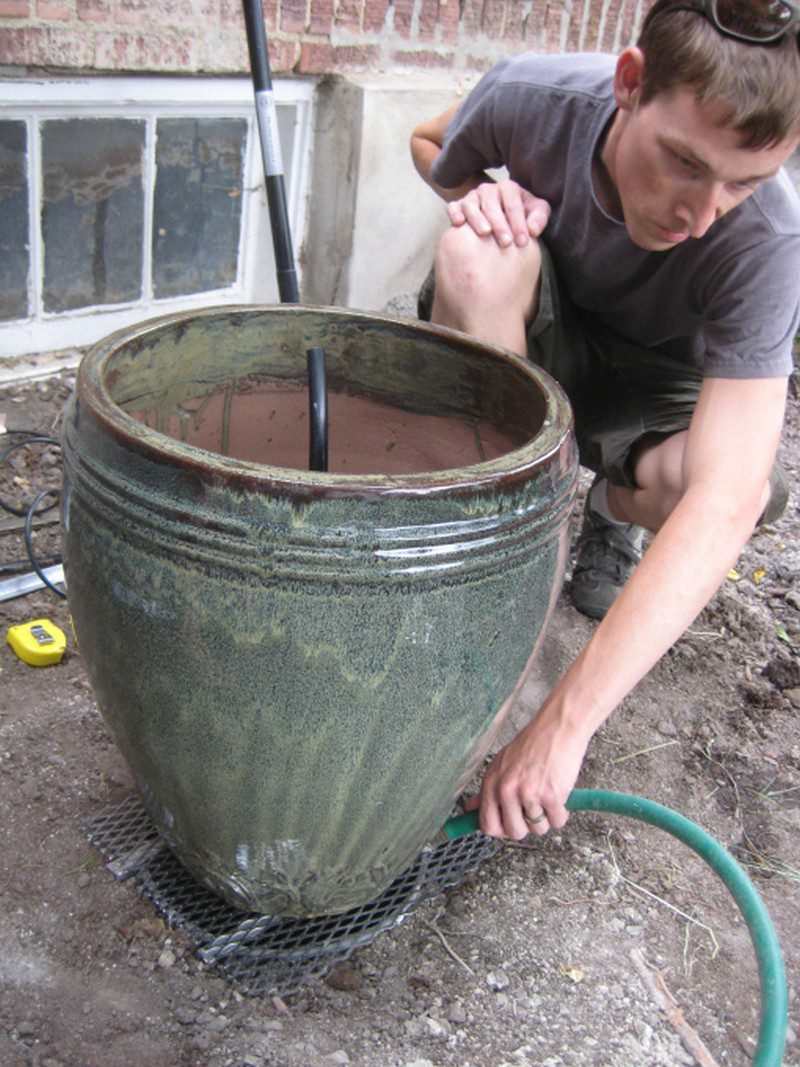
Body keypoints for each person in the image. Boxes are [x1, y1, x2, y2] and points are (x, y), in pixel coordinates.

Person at [410, 0, 800, 841]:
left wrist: (561, 726)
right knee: (476, 258)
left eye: (745, 181)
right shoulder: (536, 96)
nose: (704, 213)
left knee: (747, 486)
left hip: (655, 380)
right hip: (537, 330)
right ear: (629, 84)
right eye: (685, 163)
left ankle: (609, 506)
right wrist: (483, 198)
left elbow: (727, 496)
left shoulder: (767, 239)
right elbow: (431, 144)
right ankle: (491, 545)